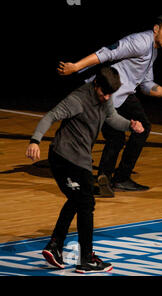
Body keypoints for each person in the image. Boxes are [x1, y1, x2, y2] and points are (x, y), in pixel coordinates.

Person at [26, 67, 145, 273]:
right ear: (96, 84)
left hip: (80, 160)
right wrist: (35, 141)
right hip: (64, 158)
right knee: (85, 202)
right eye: (104, 93)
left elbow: (112, 117)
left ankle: (55, 246)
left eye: (110, 94)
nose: (107, 97)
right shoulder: (77, 99)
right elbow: (50, 116)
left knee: (77, 199)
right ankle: (85, 259)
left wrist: (130, 125)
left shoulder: (105, 96)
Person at [57, 14, 162, 195]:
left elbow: (146, 85)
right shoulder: (140, 42)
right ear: (156, 29)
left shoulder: (154, 50)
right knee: (115, 137)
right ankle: (103, 178)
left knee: (142, 128)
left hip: (124, 94)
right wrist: (76, 67)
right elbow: (108, 52)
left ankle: (120, 178)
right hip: (105, 93)